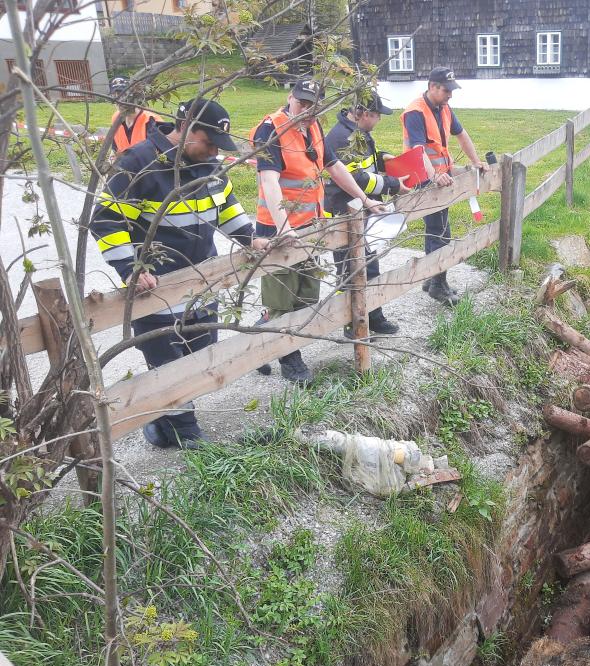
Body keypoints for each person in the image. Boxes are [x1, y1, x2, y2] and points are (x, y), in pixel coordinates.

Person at [90, 98, 260, 449]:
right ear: (185, 128)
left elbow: (226, 206)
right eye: (209, 142)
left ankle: (160, 421)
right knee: (167, 362)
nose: (214, 151)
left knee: (200, 355)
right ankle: (186, 431)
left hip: (202, 283)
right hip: (157, 289)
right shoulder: (139, 163)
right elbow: (106, 220)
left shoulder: (211, 164)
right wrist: (131, 268)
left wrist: (250, 238)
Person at [250, 79, 384, 384]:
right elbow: (270, 182)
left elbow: (334, 167)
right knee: (283, 298)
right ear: (290, 98)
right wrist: (284, 228)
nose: (307, 111)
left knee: (307, 294)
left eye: (314, 106)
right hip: (278, 229)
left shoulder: (313, 128)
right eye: (302, 103)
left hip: (310, 226)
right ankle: (290, 359)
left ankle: (263, 332)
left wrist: (364, 200)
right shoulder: (270, 130)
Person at [323, 89, 408, 335]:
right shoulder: (342, 138)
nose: (379, 120)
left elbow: (366, 164)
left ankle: (373, 316)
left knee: (370, 264)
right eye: (377, 115)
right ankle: (352, 323)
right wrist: (392, 185)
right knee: (349, 270)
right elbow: (357, 178)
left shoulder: (357, 133)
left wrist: (383, 158)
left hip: (363, 211)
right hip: (344, 212)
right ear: (365, 113)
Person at [401, 67, 488, 306]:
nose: (450, 95)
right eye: (446, 90)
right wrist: (435, 176)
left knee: (436, 230)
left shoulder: (444, 108)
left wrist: (476, 161)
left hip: (440, 177)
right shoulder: (415, 112)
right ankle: (438, 286)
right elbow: (418, 150)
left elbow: (462, 134)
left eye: (451, 90)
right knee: (440, 232)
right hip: (425, 178)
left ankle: (433, 279)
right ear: (432, 87)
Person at [108, 76, 162, 154]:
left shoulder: (150, 120)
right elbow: (114, 150)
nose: (120, 100)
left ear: (134, 96)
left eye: (124, 95)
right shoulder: (116, 118)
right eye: (115, 96)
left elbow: (161, 155)